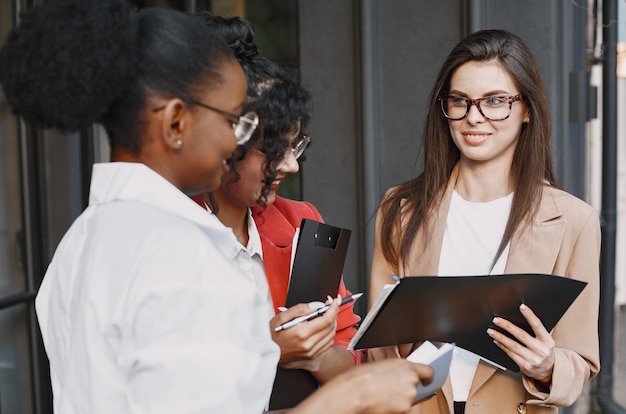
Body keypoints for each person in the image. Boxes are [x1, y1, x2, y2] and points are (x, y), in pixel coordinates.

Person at [0, 0, 433, 413]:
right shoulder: (184, 251)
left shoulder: (81, 241)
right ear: (174, 122)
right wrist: (355, 397)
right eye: (233, 122)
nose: (234, 143)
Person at [368, 29, 600, 414]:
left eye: (495, 101)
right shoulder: (401, 208)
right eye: (460, 101)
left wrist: (547, 366)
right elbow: (379, 347)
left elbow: (581, 362)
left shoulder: (573, 221)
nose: (473, 117)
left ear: (527, 109)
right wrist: (402, 338)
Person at [190, 12, 363, 405]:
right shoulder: (168, 241)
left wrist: (316, 356)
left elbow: (352, 361)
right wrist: (269, 350)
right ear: (223, 141)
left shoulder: (301, 223)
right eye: (273, 149)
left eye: (296, 144)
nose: (291, 164)